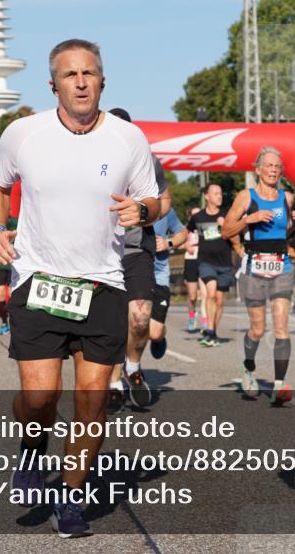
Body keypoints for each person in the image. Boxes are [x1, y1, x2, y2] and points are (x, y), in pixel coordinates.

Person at [0, 38, 159, 538]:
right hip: (39, 281)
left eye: (90, 73)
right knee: (39, 400)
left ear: (103, 80)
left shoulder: (129, 139)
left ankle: (72, 498)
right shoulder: (23, 134)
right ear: (53, 84)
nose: (81, 82)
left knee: (92, 400)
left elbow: (154, 199)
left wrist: (143, 211)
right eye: (70, 74)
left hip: (103, 283)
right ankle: (32, 448)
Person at [105, 107, 170, 411]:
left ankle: (133, 367)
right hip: (101, 252)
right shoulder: (93, 160)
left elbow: (165, 200)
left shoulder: (148, 163)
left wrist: (146, 213)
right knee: (113, 323)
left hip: (136, 250)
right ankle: (114, 381)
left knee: (140, 318)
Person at [222, 147, 295, 405]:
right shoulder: (246, 196)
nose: (274, 170)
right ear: (258, 169)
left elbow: (286, 231)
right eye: (269, 166)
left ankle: (279, 385)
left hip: (282, 266)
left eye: (278, 166)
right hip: (254, 267)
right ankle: (249, 368)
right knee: (257, 328)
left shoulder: (287, 198)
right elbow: (226, 230)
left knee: (281, 326)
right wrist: (249, 219)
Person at [187, 184, 232, 347]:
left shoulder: (227, 214)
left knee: (219, 300)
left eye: (220, 193)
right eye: (215, 193)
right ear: (207, 196)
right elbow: (187, 231)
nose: (219, 196)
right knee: (211, 293)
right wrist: (186, 244)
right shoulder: (198, 217)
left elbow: (237, 231)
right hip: (206, 261)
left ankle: (212, 330)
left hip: (225, 262)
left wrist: (225, 224)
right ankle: (210, 330)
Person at [149, 208, 188, 360]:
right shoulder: (125, 207)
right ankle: (132, 369)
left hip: (158, 276)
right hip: (129, 276)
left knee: (154, 333)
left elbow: (183, 234)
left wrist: (168, 243)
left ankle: (160, 335)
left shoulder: (164, 209)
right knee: (128, 327)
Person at [0, 216, 17, 335]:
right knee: (0, 294)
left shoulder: (16, 222)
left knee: (13, 295)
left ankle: (14, 323)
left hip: (14, 264)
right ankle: (4, 323)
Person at [182, 207, 203, 332]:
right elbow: (179, 241)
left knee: (206, 294)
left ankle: (206, 322)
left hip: (204, 259)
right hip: (191, 260)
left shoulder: (205, 227)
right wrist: (186, 245)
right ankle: (191, 316)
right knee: (192, 296)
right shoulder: (186, 229)